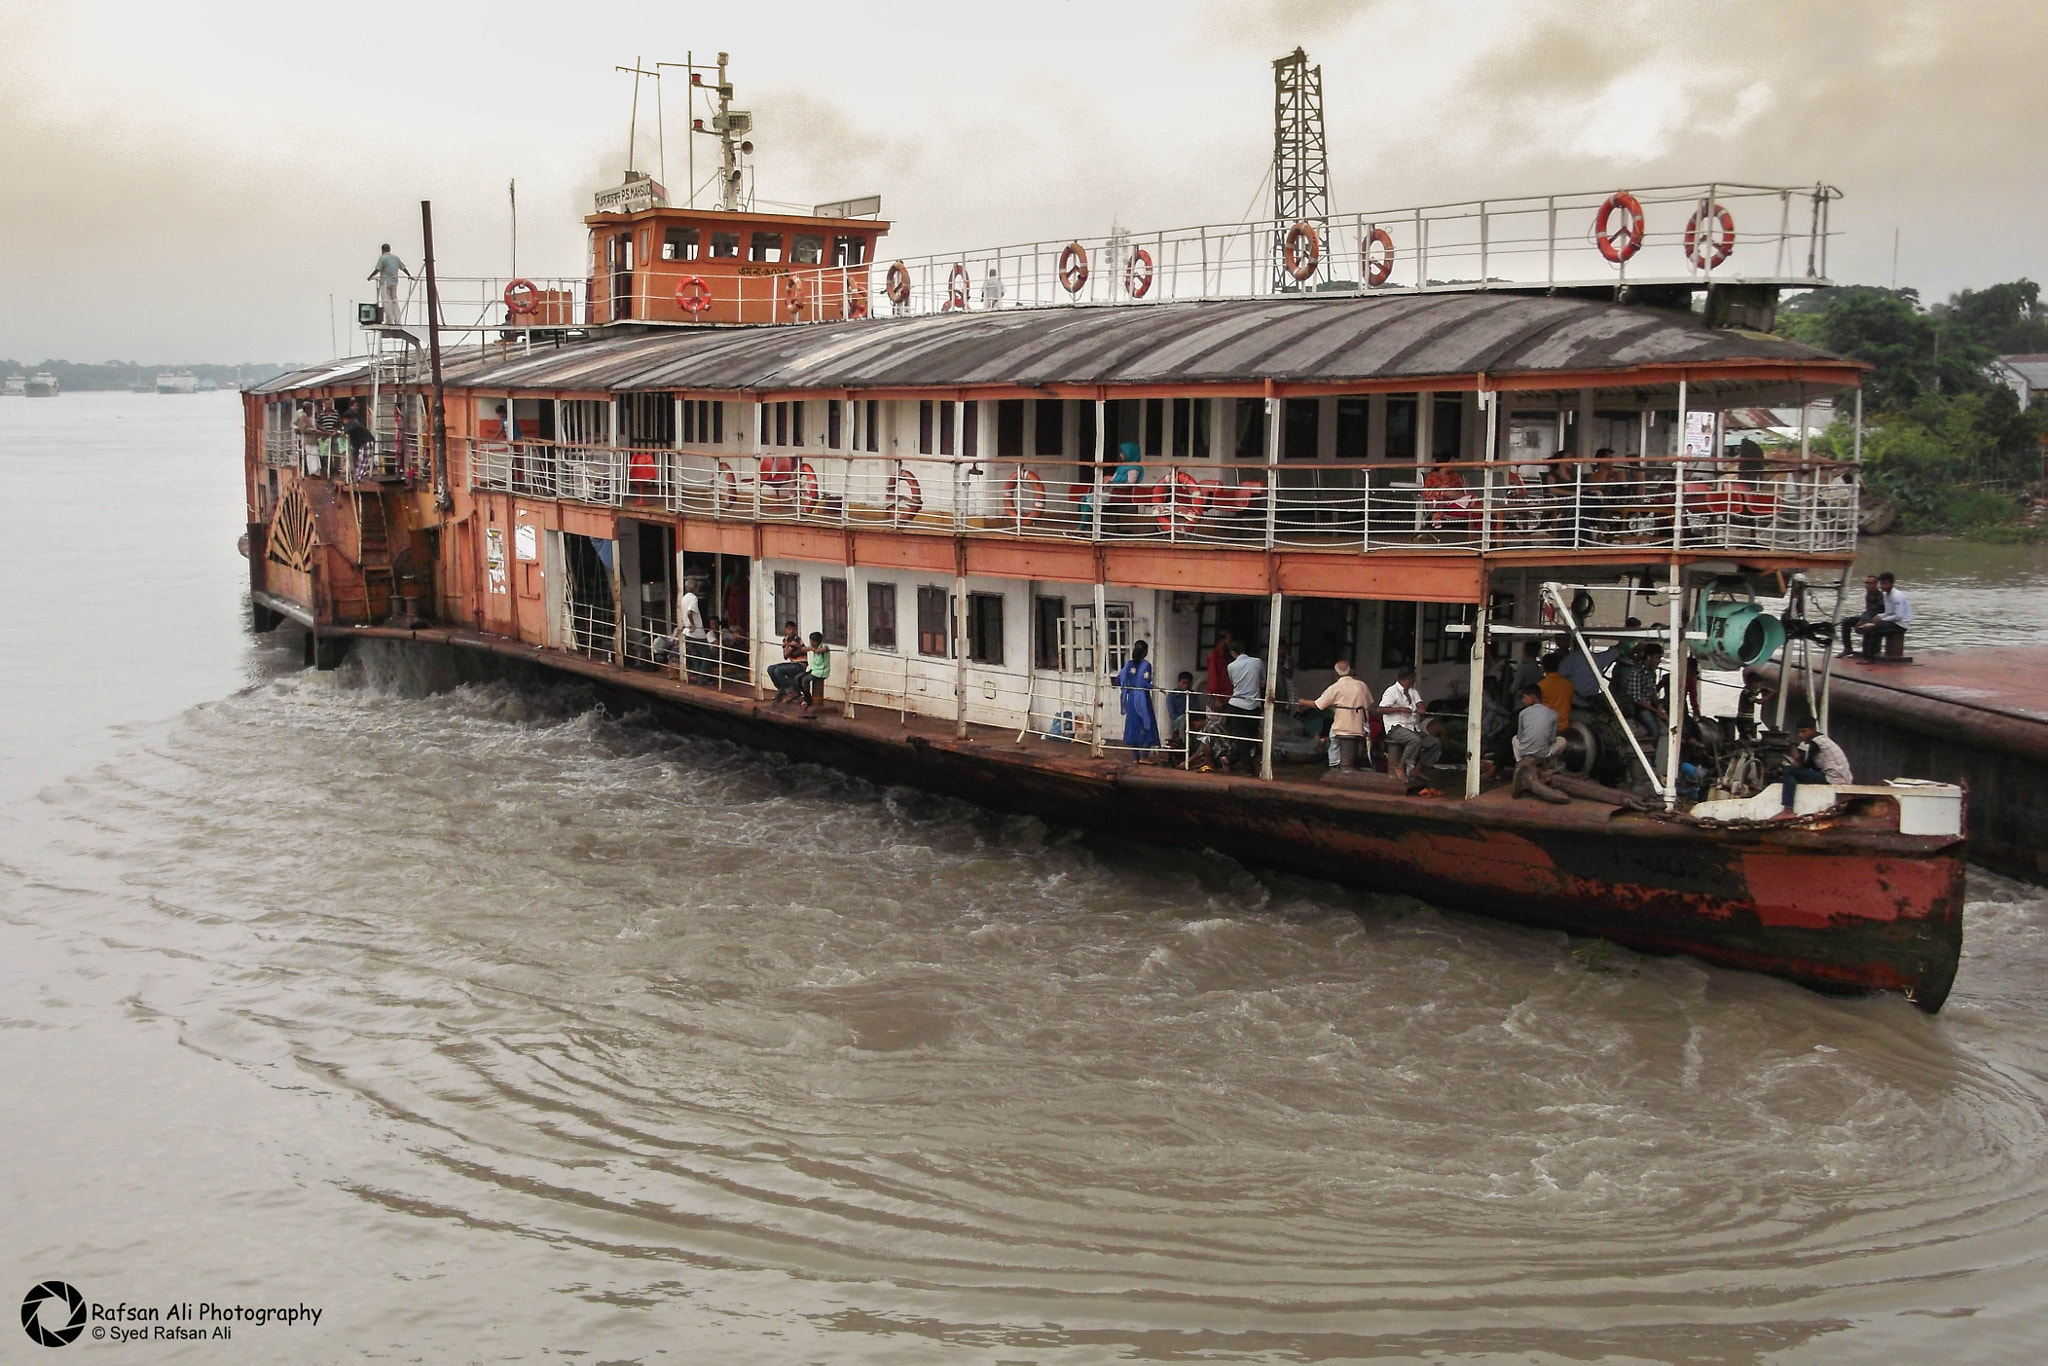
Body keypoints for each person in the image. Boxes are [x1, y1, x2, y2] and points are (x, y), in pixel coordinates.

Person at [1298, 659, 1373, 771]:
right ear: (1350, 671)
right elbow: (1370, 703)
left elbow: (1318, 705)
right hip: (1360, 727)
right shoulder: (1362, 685)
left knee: (1333, 738)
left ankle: (1334, 765)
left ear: (1336, 673)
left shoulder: (1335, 687)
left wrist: (1303, 701)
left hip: (1341, 728)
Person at [1776, 719, 1852, 817]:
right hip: (1841, 778)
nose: (1800, 735)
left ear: (1812, 730)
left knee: (1789, 771)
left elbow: (1800, 765)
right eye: (1799, 732)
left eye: (1803, 731)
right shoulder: (1823, 739)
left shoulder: (1815, 743)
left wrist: (1792, 750)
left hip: (1833, 779)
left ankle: (1788, 809)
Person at [1511, 682, 1570, 803]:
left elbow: (1520, 737)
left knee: (1514, 739)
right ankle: (1550, 765)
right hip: (1543, 754)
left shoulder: (1522, 713)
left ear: (1532, 697)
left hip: (1524, 753)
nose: (1523, 701)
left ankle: (1521, 764)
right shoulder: (1554, 714)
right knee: (1562, 740)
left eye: (1524, 697)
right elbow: (1552, 740)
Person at [1379, 667, 1441, 780]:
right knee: (1414, 740)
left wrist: (1421, 708)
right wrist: (1400, 709)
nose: (1415, 679)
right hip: (1395, 728)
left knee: (1435, 742)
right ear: (1409, 678)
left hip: (1412, 728)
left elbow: (1421, 706)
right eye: (1414, 677)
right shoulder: (1391, 691)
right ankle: (1401, 767)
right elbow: (1381, 709)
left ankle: (1417, 769)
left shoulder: (1413, 691)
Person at [1221, 644, 1266, 773]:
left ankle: (1229, 759)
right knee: (1250, 739)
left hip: (1236, 704)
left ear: (1232, 653)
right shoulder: (1257, 662)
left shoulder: (1231, 666)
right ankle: (1249, 770)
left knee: (1243, 739)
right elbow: (1263, 681)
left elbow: (1234, 682)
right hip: (1254, 705)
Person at [1114, 640, 1160, 759]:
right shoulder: (1146, 665)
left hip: (1131, 699)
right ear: (1145, 652)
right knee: (1147, 724)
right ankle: (1144, 757)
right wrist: (1156, 688)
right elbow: (1144, 683)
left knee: (1133, 726)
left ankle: (1136, 758)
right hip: (1143, 698)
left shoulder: (1128, 665)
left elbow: (1119, 679)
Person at [1856, 572, 1911, 659]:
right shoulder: (1886, 594)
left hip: (1900, 625)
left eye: (1885, 584)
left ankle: (1870, 657)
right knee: (1868, 627)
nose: (1883, 586)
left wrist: (1883, 620)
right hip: (1892, 621)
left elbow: (1898, 616)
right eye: (1881, 584)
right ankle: (1867, 654)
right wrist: (1879, 616)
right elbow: (1888, 612)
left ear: (1891, 584)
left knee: (1872, 629)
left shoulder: (1896, 596)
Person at [368, 244, 412, 323]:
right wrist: (409, 275)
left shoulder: (383, 258)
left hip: (385, 282)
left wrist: (370, 276)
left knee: (386, 301)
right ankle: (398, 320)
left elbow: (377, 269)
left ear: (382, 250)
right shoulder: (395, 258)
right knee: (394, 300)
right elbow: (403, 268)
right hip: (394, 282)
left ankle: (389, 320)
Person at [679, 578, 711, 683]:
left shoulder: (684, 598)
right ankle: (702, 678)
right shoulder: (693, 598)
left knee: (694, 654)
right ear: (695, 588)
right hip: (696, 631)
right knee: (707, 655)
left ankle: (698, 675)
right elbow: (689, 612)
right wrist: (693, 624)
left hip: (688, 631)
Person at [1840, 575, 1882, 653]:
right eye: (1866, 583)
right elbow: (1868, 610)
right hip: (1868, 616)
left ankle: (1870, 651)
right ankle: (1847, 648)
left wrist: (1862, 621)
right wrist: (1862, 619)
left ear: (1875, 584)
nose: (1867, 585)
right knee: (1846, 622)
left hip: (1877, 618)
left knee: (1866, 627)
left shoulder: (1881, 596)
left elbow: (1876, 612)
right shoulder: (1868, 594)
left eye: (1869, 583)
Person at [768, 621, 807, 702]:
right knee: (771, 669)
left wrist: (787, 646)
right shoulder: (785, 640)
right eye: (789, 629)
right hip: (792, 663)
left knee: (778, 670)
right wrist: (787, 646)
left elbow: (787, 653)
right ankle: (781, 689)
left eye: (793, 629)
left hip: (800, 664)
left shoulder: (796, 639)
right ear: (786, 630)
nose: (791, 631)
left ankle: (791, 691)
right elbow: (785, 656)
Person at [1735, 668, 1775, 740]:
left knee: (1746, 737)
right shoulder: (1748, 693)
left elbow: (1757, 691)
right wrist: (1771, 694)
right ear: (1753, 683)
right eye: (1759, 683)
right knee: (1747, 737)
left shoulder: (1749, 690)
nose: (1760, 685)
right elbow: (1760, 702)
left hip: (1747, 719)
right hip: (1744, 720)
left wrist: (1764, 689)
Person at [1538, 652, 1575, 726]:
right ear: (1558, 666)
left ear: (1543, 666)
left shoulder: (1540, 685)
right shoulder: (1569, 684)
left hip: (1546, 726)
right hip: (1564, 725)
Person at [1165, 670, 1195, 761]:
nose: (1186, 686)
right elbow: (1172, 714)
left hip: (1191, 720)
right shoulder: (1172, 695)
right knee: (1183, 718)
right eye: (1184, 683)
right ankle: (1183, 742)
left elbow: (1195, 710)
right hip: (1177, 721)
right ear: (1179, 683)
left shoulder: (1193, 695)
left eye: (1188, 683)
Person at [1204, 629, 1234, 710]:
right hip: (1219, 697)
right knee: (1216, 721)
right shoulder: (1214, 656)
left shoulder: (1228, 655)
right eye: (1229, 639)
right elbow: (1213, 677)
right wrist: (1217, 698)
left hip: (1228, 695)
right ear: (1222, 640)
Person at [801, 632, 831, 712]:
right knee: (799, 678)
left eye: (813, 641)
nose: (811, 643)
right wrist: (810, 648)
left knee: (805, 680)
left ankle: (808, 699)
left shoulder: (824, 646)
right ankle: (806, 696)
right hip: (814, 670)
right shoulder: (812, 646)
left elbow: (820, 650)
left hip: (822, 671)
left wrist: (813, 649)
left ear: (817, 641)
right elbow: (803, 649)